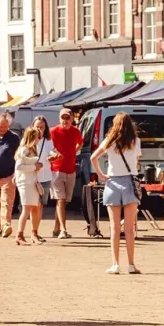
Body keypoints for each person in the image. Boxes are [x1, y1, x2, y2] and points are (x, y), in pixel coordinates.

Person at [90, 113, 141, 274]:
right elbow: (136, 162)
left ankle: (115, 264)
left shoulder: (109, 141)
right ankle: (131, 264)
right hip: (130, 183)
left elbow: (93, 157)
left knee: (114, 228)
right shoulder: (135, 141)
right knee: (129, 229)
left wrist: (100, 174)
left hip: (112, 183)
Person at [47, 107, 83, 239]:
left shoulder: (75, 131)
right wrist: (54, 154)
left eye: (68, 118)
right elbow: (48, 147)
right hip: (56, 170)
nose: (65, 120)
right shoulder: (53, 131)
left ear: (72, 119)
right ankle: (63, 229)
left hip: (71, 170)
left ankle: (56, 228)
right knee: (60, 200)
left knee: (64, 202)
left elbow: (80, 143)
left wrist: (74, 151)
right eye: (63, 117)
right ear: (59, 118)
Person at [0, 112, 20, 238]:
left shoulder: (14, 138)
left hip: (9, 175)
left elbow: (18, 155)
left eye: (5, 126)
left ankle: (6, 225)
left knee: (6, 201)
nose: (2, 128)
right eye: (1, 126)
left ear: (9, 125)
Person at [13, 125, 45, 244]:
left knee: (35, 208)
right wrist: (34, 167)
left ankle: (34, 233)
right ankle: (19, 235)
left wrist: (36, 167)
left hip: (31, 181)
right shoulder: (24, 149)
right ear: (32, 137)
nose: (39, 139)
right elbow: (19, 167)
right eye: (37, 137)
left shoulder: (32, 149)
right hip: (25, 183)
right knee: (26, 209)